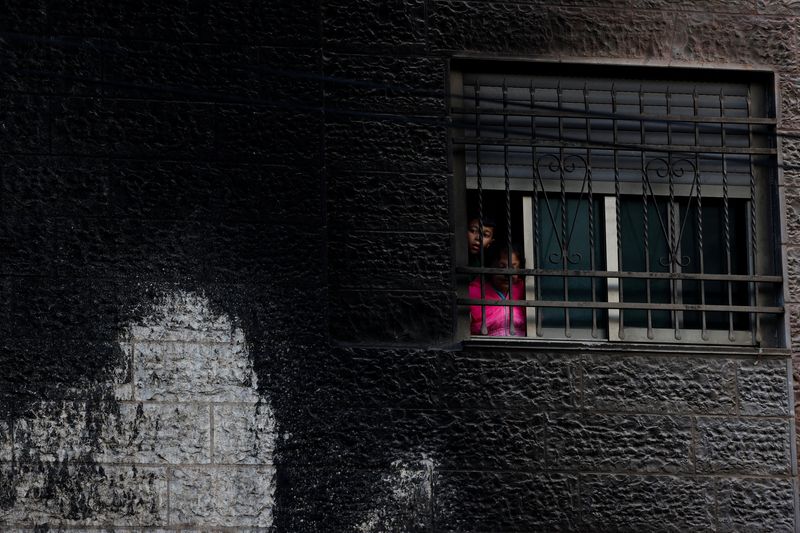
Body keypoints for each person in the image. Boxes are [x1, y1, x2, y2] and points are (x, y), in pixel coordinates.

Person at [469, 245, 527, 336]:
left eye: (513, 267)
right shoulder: (475, 291)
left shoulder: (524, 289)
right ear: (490, 267)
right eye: (501, 267)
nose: (507, 273)